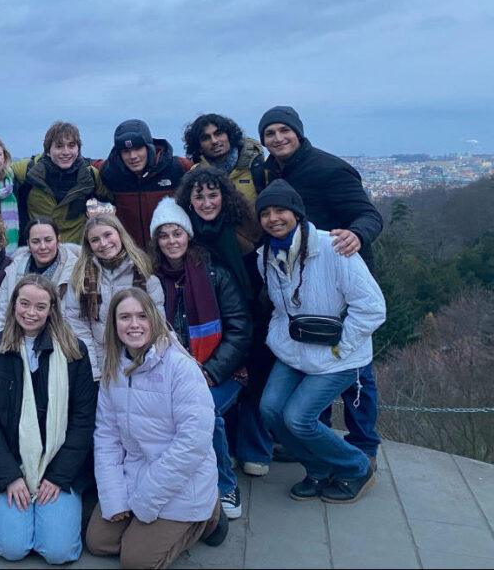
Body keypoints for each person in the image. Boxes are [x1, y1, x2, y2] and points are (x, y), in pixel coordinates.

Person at [259, 106, 384, 467]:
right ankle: (315, 436)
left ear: (298, 132)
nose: (278, 138)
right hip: (296, 276)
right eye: (270, 133)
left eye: (285, 130)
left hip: (340, 272)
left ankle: (364, 446)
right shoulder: (267, 171)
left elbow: (369, 215)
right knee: (311, 363)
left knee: (357, 370)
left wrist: (356, 236)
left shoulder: (330, 169)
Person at [86, 288, 228, 569]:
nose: (134, 324)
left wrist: (146, 500)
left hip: (183, 478)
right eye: (124, 317)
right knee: (99, 543)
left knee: (136, 560)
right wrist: (116, 498)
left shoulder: (181, 367)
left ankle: (208, 515)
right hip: (136, 471)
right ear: (114, 325)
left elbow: (193, 444)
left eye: (141, 316)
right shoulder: (113, 368)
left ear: (154, 319)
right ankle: (148, 526)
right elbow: (107, 438)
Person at [0, 274, 98, 565]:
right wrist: (9, 477)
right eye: (24, 304)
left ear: (52, 309)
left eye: (40, 306)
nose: (31, 312)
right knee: (13, 548)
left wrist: (58, 476)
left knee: (59, 552)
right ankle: (16, 514)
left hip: (58, 465)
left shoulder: (74, 352)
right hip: (11, 464)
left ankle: (48, 513)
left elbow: (83, 420)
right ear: (13, 304)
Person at [149, 197, 253, 520]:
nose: (171, 241)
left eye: (176, 233)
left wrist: (210, 371)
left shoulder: (214, 272)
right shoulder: (151, 278)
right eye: (163, 235)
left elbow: (240, 329)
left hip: (222, 372)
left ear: (188, 235)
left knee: (204, 413)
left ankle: (225, 485)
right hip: (172, 374)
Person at [175, 167, 273, 477]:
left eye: (213, 195)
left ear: (225, 197)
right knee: (223, 376)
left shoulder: (244, 228)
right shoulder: (186, 234)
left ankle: (255, 450)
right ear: (189, 202)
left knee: (255, 382)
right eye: (199, 196)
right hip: (214, 320)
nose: (206, 203)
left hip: (255, 312)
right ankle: (227, 448)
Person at [62, 214, 165, 381]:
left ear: (119, 234)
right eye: (95, 240)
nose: (103, 243)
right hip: (102, 366)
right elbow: (79, 328)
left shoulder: (144, 275)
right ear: (89, 245)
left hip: (141, 364)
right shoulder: (80, 279)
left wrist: (146, 364)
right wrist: (93, 371)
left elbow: (158, 325)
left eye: (108, 235)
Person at [9, 121, 114, 245]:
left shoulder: (89, 175)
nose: (66, 152)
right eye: (59, 146)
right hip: (38, 249)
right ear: (47, 151)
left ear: (78, 149)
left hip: (75, 252)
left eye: (71, 146)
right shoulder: (28, 171)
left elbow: (117, 194)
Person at [96, 118, 193, 249]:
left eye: (138, 149)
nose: (133, 156)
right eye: (126, 151)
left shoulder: (178, 168)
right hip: (132, 256)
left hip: (171, 253)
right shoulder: (111, 173)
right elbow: (87, 166)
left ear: (149, 148)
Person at [0, 216, 81, 336]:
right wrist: (4, 344)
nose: (43, 247)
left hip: (59, 342)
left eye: (48, 240)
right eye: (36, 241)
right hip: (16, 341)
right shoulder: (14, 268)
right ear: (28, 244)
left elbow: (77, 322)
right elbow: (1, 314)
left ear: (58, 241)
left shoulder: (75, 271)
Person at [183, 113, 266, 209]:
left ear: (229, 136)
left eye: (218, 134)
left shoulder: (259, 166)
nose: (214, 141)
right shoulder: (194, 175)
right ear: (198, 146)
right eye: (206, 138)